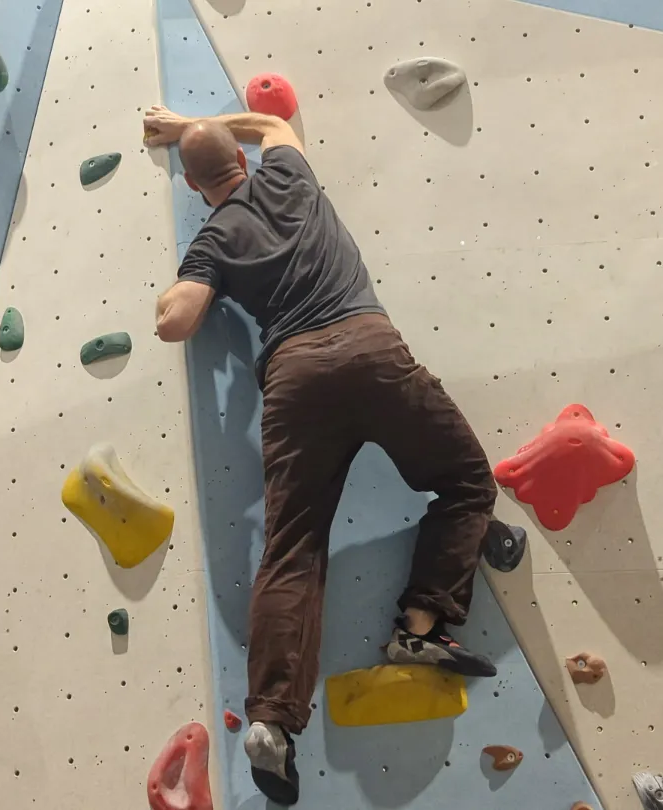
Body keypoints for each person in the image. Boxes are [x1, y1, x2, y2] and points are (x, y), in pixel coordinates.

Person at [143, 104, 499, 805]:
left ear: (192, 187)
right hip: (369, 346)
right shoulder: (289, 173)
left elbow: (176, 321)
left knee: (293, 547)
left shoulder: (213, 239)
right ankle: (420, 627)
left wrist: (171, 291)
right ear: (241, 162)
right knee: (465, 483)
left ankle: (273, 722)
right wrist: (189, 121)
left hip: (295, 377)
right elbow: (271, 122)